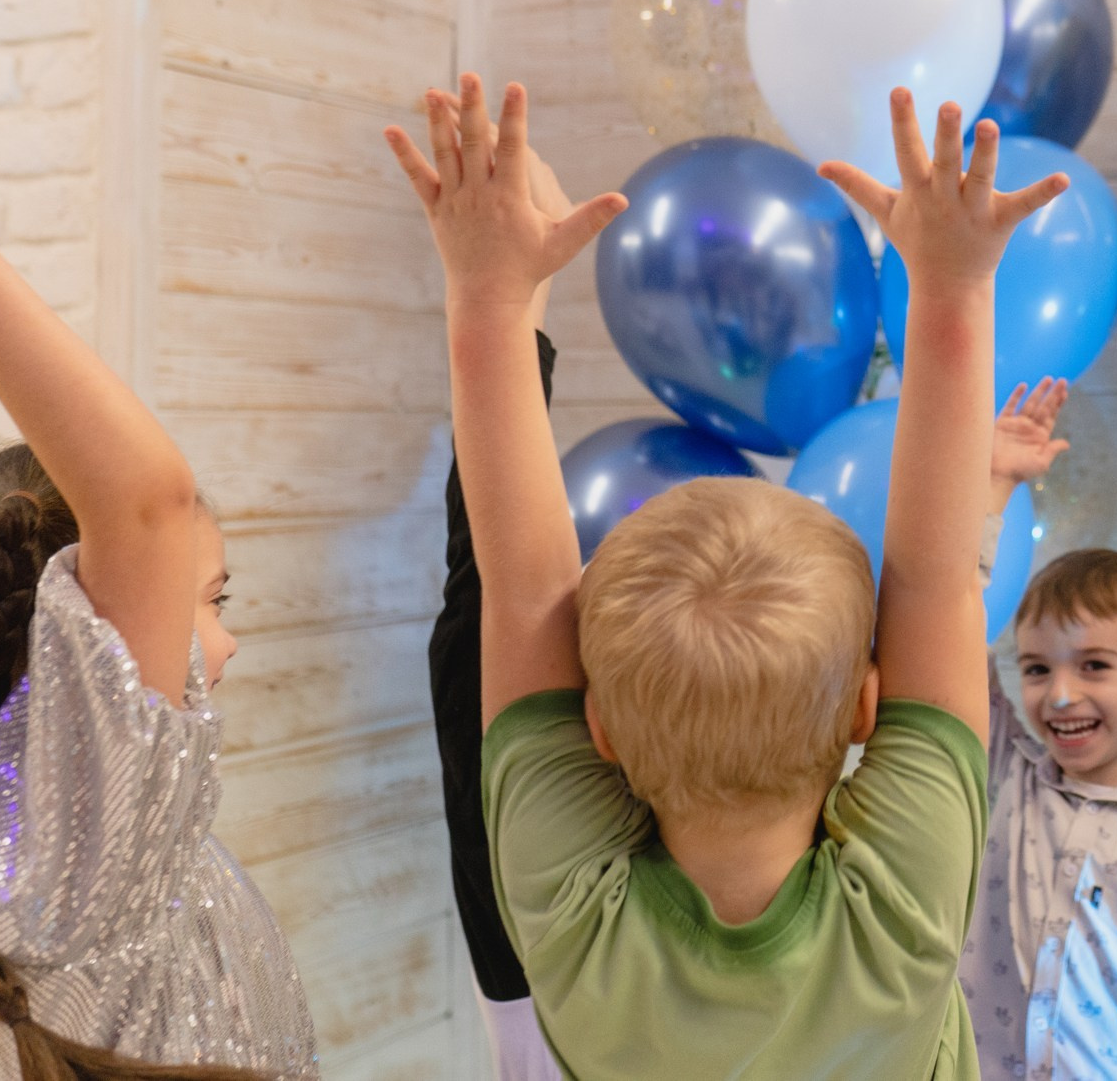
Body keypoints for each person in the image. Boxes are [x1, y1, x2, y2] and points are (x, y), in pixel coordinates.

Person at [387, 79, 1062, 1078]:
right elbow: (934, 583)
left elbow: (518, 591)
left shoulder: (574, 921)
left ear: (602, 729)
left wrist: (485, 294)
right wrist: (955, 285)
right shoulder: (902, 911)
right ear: (864, 708)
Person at [0, 79, 316, 1079]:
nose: (227, 639)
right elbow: (147, 502)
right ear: (85, 662)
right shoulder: (79, 867)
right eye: (210, 600)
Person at [960, 383, 1117, 1081]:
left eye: (1094, 665)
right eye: (1036, 668)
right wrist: (995, 484)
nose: (1061, 694)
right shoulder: (1007, 771)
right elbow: (954, 615)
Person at [426, 152, 577, 1081]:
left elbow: (491, 589)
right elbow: (490, 590)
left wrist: (505, 299)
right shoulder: (853, 955)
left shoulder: (556, 933)